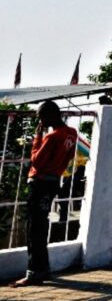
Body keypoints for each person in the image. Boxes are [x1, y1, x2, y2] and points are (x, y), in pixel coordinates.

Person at [9, 100, 78, 287]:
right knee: (41, 225)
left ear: (48, 115)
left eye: (41, 116)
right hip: (53, 181)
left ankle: (34, 273)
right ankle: (43, 269)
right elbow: (70, 156)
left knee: (34, 228)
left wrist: (37, 138)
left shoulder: (52, 136)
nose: (40, 120)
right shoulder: (72, 133)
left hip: (39, 183)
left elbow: (36, 161)